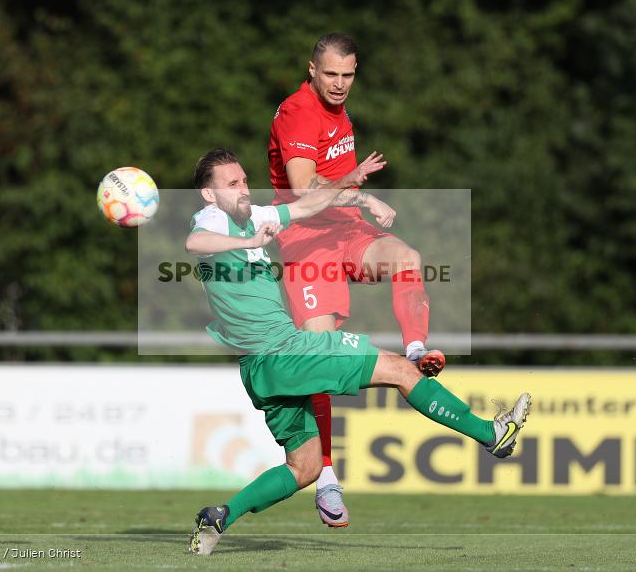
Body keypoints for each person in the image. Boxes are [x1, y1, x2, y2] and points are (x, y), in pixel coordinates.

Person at [185, 148, 531, 556]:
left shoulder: (255, 215)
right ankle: (492, 435)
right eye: (232, 184)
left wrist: (357, 189)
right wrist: (246, 239)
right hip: (288, 350)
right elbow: (195, 241)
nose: (243, 189)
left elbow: (307, 204)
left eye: (244, 180)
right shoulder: (212, 219)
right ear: (209, 194)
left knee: (305, 468)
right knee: (403, 370)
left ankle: (220, 516)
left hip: (261, 367)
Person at [267, 32, 445, 525]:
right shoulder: (298, 113)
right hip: (306, 243)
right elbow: (305, 189)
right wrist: (362, 194)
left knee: (406, 258)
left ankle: (414, 351)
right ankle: (324, 477)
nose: (341, 84)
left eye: (348, 75)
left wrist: (356, 201)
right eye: (331, 74)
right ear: (311, 69)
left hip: (346, 231)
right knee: (318, 357)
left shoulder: (339, 111)